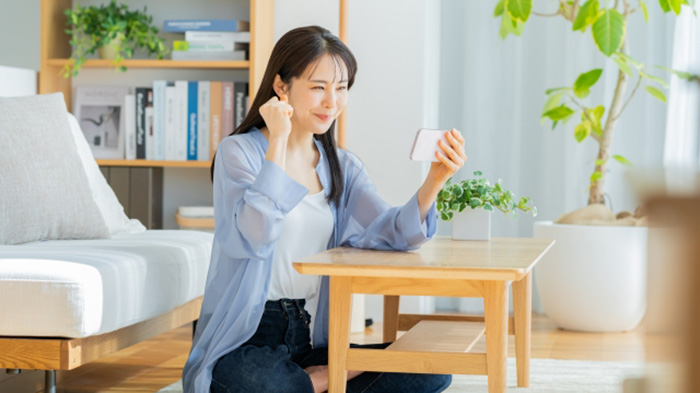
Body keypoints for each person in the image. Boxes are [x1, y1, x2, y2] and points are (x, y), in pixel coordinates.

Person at [182, 25, 467, 393]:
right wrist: (279, 141)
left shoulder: (341, 166)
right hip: (245, 339)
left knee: (431, 370)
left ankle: (318, 380)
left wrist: (435, 180)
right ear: (281, 87)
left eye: (342, 88)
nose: (332, 102)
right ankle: (328, 379)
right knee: (264, 385)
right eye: (318, 87)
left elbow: (394, 232)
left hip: (309, 338)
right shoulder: (239, 153)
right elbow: (255, 235)